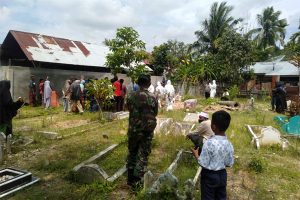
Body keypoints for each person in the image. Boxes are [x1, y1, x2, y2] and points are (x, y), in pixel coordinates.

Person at [191, 110, 234, 200]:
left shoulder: (209, 143)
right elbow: (229, 163)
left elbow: (203, 163)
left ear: (213, 127)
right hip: (222, 175)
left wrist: (196, 155)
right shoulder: (229, 144)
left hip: (209, 176)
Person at [126, 74, 158, 188]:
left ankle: (130, 179)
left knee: (132, 152)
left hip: (134, 129)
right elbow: (155, 113)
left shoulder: (130, 96)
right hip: (146, 131)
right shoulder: (153, 97)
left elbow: (129, 109)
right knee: (143, 154)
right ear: (149, 84)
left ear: (138, 83)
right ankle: (137, 181)